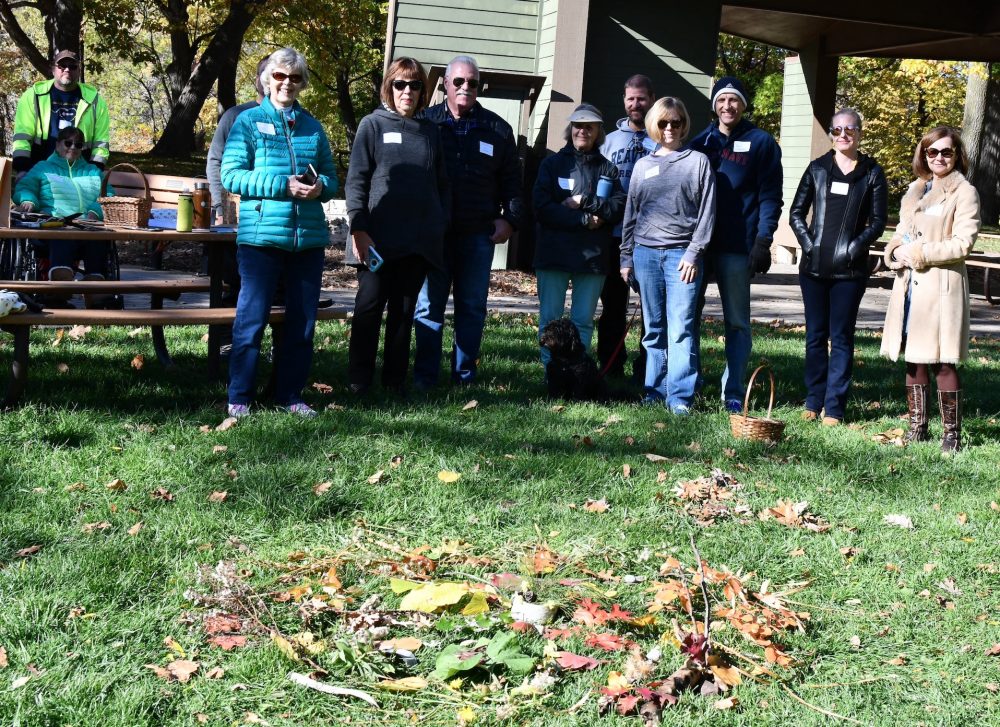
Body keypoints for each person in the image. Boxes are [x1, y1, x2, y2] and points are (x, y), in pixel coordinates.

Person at [221, 47, 338, 418]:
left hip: (307, 241)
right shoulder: (248, 122)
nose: (287, 83)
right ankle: (239, 397)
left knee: (302, 325)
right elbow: (231, 176)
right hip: (261, 239)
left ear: (302, 83)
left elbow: (333, 179)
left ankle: (290, 395)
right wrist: (282, 185)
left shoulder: (313, 128)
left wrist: (321, 188)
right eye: (279, 76)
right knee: (251, 321)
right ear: (267, 79)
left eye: (295, 78)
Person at [413, 54, 523, 389]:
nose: (465, 87)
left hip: (478, 234)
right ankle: (425, 378)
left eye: (472, 82)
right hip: (435, 234)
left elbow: (513, 184)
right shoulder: (425, 123)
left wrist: (510, 221)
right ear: (445, 84)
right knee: (428, 307)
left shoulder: (498, 129)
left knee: (472, 308)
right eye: (458, 81)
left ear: (479, 87)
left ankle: (464, 377)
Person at [345, 57, 449, 396]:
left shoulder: (432, 133)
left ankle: (393, 382)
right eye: (400, 84)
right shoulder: (371, 125)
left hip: (417, 241)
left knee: (404, 313)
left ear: (423, 92)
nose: (407, 91)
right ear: (389, 87)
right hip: (375, 238)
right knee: (368, 308)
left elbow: (441, 185)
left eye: (415, 85)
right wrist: (358, 228)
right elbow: (357, 180)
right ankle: (359, 380)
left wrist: (437, 223)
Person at [881, 126, 980, 452]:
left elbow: (962, 243)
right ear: (923, 154)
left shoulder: (964, 192)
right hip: (910, 286)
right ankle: (917, 428)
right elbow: (902, 234)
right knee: (914, 358)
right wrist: (895, 251)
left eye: (946, 151)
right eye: (932, 151)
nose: (939, 157)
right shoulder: (915, 190)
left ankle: (951, 435)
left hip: (940, 287)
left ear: (956, 155)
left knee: (943, 360)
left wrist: (921, 253)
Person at [689, 76, 782, 412]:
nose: (727, 106)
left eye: (734, 100)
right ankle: (691, 384)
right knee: (690, 317)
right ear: (714, 105)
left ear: (744, 105)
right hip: (699, 246)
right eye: (722, 100)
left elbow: (771, 197)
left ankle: (733, 390)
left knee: (737, 321)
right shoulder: (699, 143)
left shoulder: (761, 143)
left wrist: (763, 240)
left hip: (738, 247)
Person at [790, 109, 887, 426]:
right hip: (813, 269)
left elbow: (878, 222)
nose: (843, 134)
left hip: (850, 271)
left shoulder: (872, 173)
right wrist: (809, 245)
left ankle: (834, 408)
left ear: (859, 132)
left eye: (850, 129)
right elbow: (796, 213)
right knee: (815, 337)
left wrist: (854, 248)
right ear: (831, 133)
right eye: (837, 129)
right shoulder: (817, 169)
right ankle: (813, 401)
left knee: (841, 337)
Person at [619, 97, 715, 414]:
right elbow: (631, 214)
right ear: (654, 126)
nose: (670, 128)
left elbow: (706, 213)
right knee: (653, 330)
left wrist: (693, 253)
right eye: (663, 123)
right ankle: (654, 391)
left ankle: (679, 397)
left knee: (682, 327)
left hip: (681, 257)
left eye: (675, 122)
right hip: (645, 256)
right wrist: (626, 258)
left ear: (684, 124)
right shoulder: (643, 166)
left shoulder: (697, 162)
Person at [533, 103, 625, 368]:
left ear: (598, 132)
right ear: (570, 129)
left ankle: (577, 374)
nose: (582, 131)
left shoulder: (608, 169)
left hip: (592, 258)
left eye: (589, 126)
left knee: (583, 320)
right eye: (578, 125)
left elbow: (617, 207)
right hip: (554, 255)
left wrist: (586, 201)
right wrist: (584, 219)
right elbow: (542, 208)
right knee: (550, 320)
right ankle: (552, 374)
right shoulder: (551, 165)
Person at [13, 126, 111, 307]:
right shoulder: (43, 168)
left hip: (89, 225)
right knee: (63, 232)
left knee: (99, 238)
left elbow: (109, 197)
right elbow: (24, 187)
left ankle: (94, 286)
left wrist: (94, 212)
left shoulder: (93, 172)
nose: (73, 147)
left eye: (78, 144)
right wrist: (28, 200)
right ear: (58, 145)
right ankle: (61, 281)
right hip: (55, 225)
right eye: (68, 142)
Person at [598, 74, 655, 379]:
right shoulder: (609, 140)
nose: (636, 104)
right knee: (613, 307)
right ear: (624, 100)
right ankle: (611, 364)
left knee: (651, 309)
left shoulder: (660, 137)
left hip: (650, 238)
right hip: (613, 235)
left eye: (642, 98)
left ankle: (648, 368)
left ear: (651, 99)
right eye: (631, 98)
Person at [12, 50, 110, 179]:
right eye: (62, 65)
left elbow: (101, 143)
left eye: (73, 66)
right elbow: (22, 137)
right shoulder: (33, 96)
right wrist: (22, 169)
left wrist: (94, 172)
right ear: (53, 69)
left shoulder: (95, 100)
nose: (67, 69)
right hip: (39, 172)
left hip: (79, 175)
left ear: (79, 71)